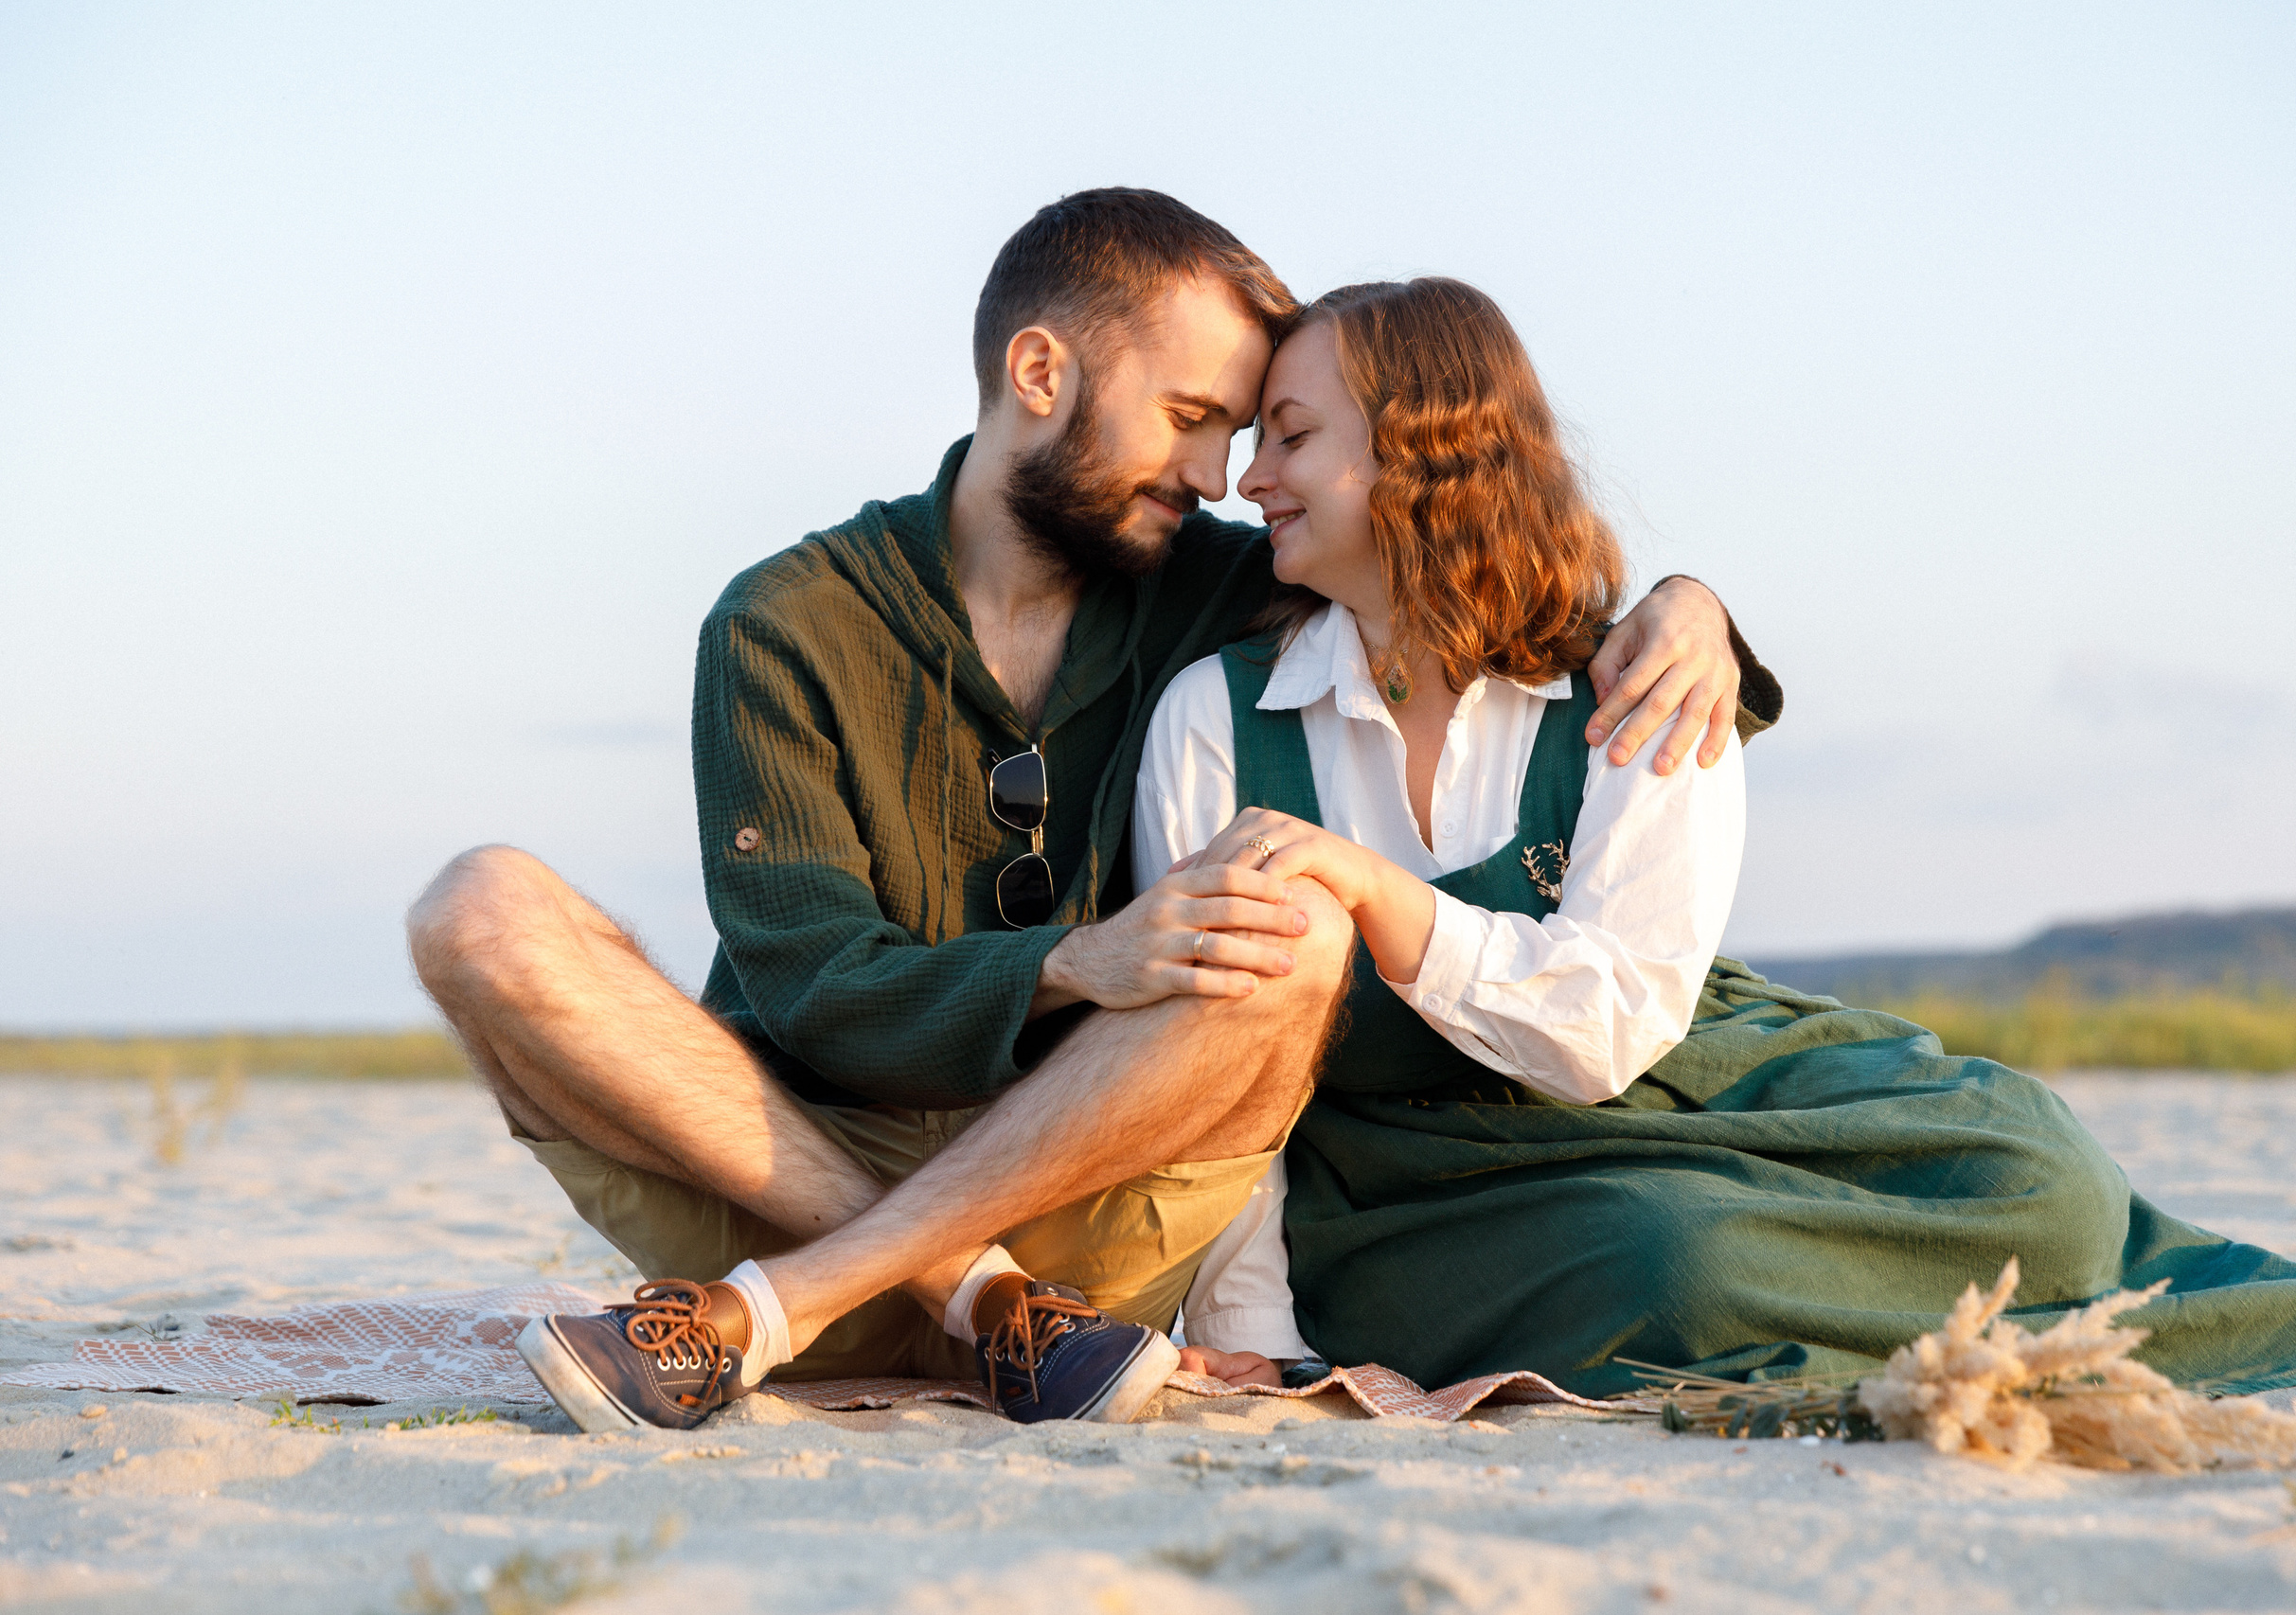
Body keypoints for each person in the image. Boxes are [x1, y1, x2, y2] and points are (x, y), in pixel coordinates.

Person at [405, 190, 1778, 1433]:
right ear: (1042, 372)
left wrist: (1684, 611)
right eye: (1191, 419)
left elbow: (1448, 566)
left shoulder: (1206, 578)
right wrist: (1074, 959)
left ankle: (831, 1302)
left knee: (1284, 917)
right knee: (479, 909)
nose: (1219, 474)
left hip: (1090, 1196)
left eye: (1246, 436)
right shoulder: (787, 622)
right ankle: (973, 1304)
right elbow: (812, 987)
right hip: (780, 1174)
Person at [1141, 277, 2296, 1399]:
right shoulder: (1215, 719)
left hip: (1672, 1076)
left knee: (2047, 1175)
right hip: (1403, 1169)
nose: (1252, 480)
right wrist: (1262, 1323)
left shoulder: (1644, 684)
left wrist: (1373, 889)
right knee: (1675, 1260)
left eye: (1291, 436)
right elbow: (1206, 1071)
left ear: (1423, 447)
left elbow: (1609, 1025)